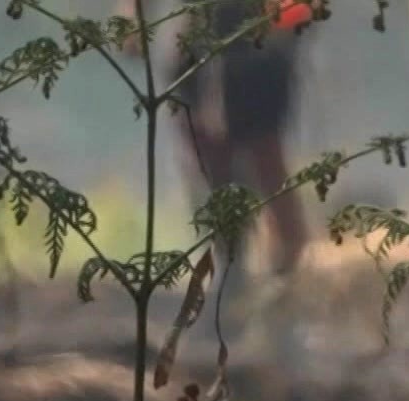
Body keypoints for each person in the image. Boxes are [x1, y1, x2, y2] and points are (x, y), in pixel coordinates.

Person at [125, 0, 312, 279]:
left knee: (265, 155)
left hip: (257, 46)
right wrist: (133, 21)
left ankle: (286, 255)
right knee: (210, 160)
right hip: (198, 49)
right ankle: (231, 256)